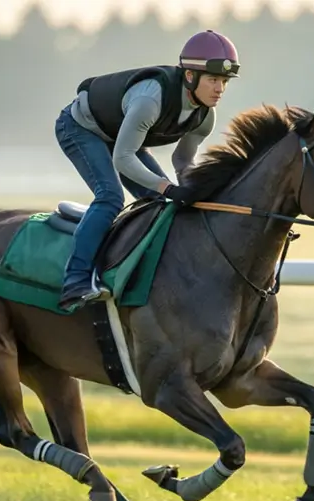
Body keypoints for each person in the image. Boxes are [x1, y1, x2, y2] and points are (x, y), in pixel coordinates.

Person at [54, 29, 241, 313]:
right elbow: (123, 159)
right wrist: (168, 187)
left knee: (159, 205)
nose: (220, 89)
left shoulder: (204, 116)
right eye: (214, 79)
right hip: (82, 127)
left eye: (225, 82)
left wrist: (193, 190)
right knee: (110, 197)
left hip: (123, 135)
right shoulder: (150, 100)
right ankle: (75, 280)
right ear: (190, 76)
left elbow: (183, 162)